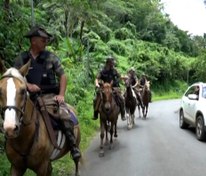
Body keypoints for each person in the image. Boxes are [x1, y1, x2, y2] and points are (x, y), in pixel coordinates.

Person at [14, 26, 81, 161]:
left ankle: (73, 146)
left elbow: (62, 76)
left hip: (49, 96)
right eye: (43, 40)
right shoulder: (21, 59)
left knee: (64, 115)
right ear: (34, 41)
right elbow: (15, 78)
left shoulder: (51, 57)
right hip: (27, 97)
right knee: (11, 114)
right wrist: (28, 85)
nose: (46, 43)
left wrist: (61, 94)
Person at [92, 56, 126, 121]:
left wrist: (124, 78)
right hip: (104, 88)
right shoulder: (102, 71)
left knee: (121, 98)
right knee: (95, 99)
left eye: (113, 63)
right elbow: (97, 78)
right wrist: (97, 84)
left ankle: (122, 114)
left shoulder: (115, 70)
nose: (113, 64)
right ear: (108, 63)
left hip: (114, 87)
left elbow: (120, 76)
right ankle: (95, 114)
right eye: (111, 62)